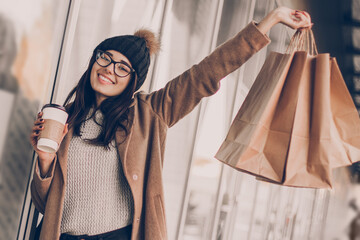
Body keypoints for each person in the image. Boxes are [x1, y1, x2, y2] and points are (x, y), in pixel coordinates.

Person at [30, 6, 312, 240]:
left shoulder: (150, 113)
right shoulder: (66, 119)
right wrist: (45, 160)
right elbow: (45, 205)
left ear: (134, 81)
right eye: (105, 58)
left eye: (122, 67)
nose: (109, 70)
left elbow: (206, 73)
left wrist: (271, 19)